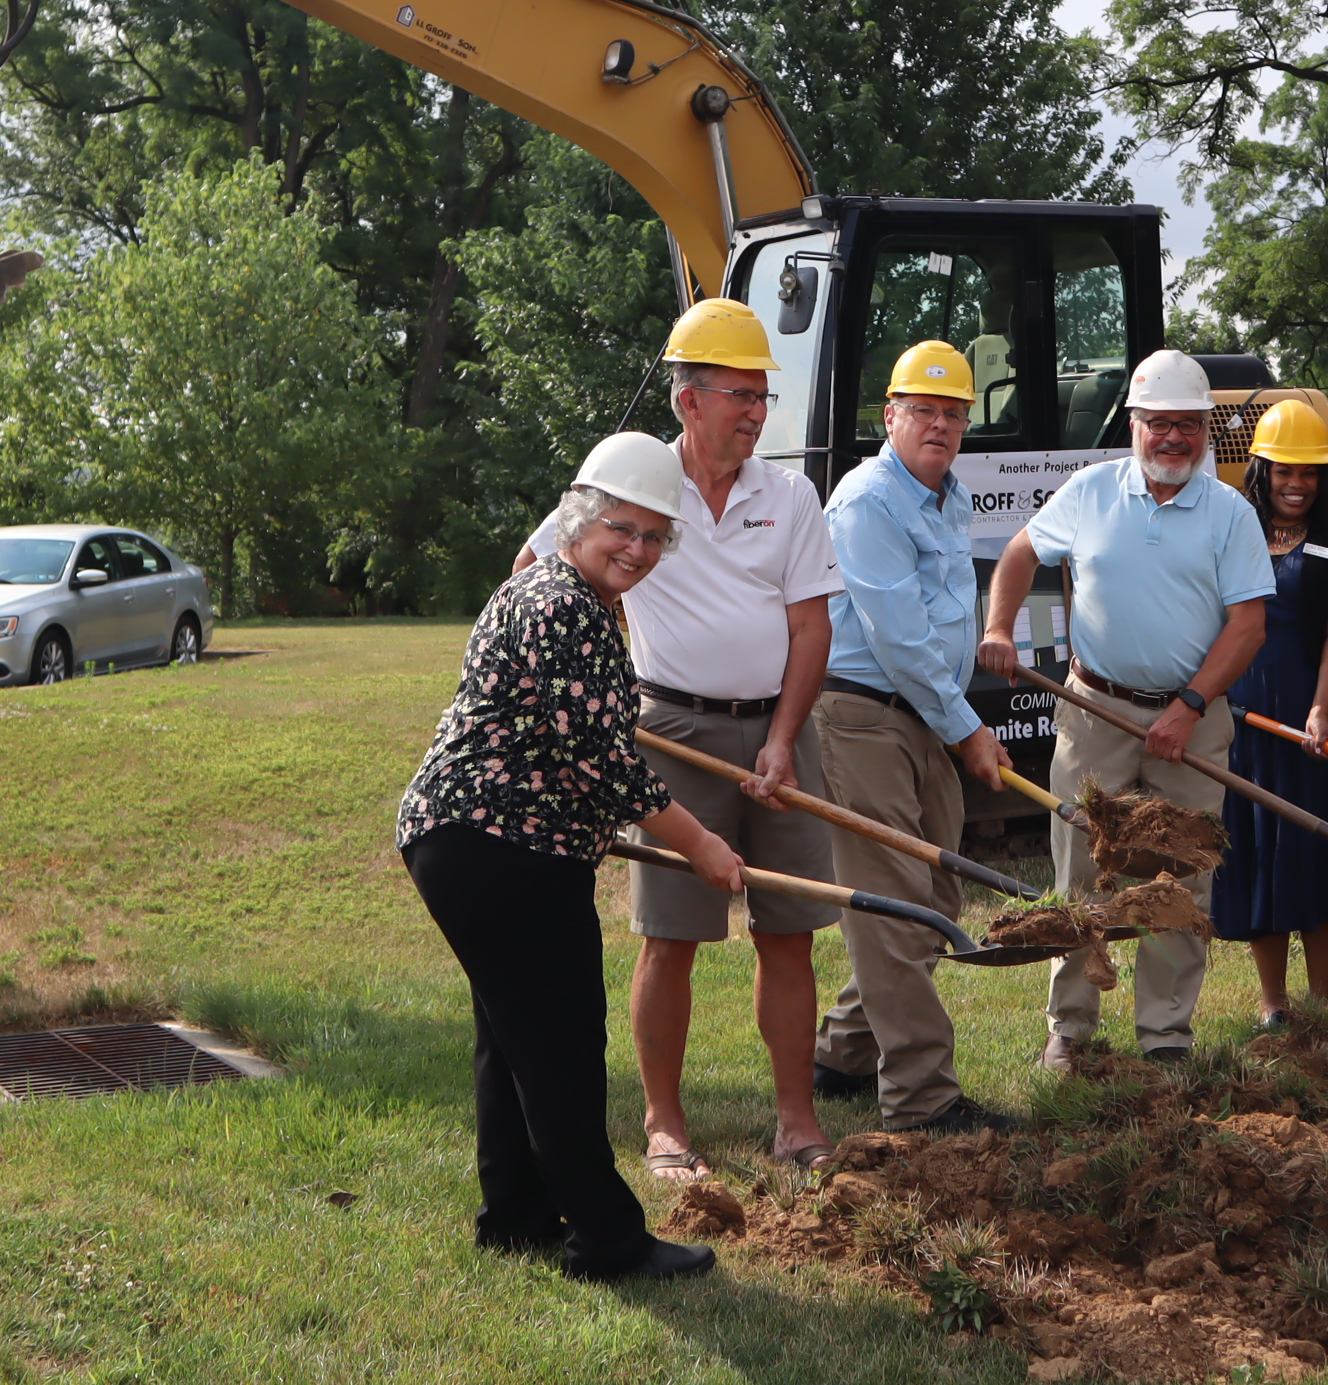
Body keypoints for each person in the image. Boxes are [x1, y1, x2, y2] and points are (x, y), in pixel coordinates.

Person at [399, 432, 740, 1282]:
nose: (638, 549)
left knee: (511, 1038)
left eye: (654, 537)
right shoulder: (562, 604)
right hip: (499, 850)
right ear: (579, 521)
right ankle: (608, 1241)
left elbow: (570, 748)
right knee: (560, 1047)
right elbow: (603, 754)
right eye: (622, 530)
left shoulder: (559, 593)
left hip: (479, 845)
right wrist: (698, 842)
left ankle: (516, 1217)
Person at [512, 299, 842, 1178]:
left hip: (778, 732)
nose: (758, 412)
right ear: (688, 399)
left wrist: (782, 738)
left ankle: (798, 1122)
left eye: (763, 395)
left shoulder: (791, 494)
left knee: (792, 929)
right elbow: (536, 568)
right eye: (740, 394)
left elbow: (811, 630)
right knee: (673, 934)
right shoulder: (633, 484)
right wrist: (590, 664)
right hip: (671, 732)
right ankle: (665, 1124)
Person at [978, 349, 1273, 1069]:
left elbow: (1248, 624)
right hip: (1093, 712)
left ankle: (1166, 1037)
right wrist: (996, 628)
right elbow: (1020, 552)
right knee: (1079, 868)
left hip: (1194, 725)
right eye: (1158, 424)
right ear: (1134, 425)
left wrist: (1188, 706)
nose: (1173, 439)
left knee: (1180, 876)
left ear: (1205, 430)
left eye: (1187, 426)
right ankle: (1070, 1030)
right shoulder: (1090, 492)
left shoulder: (1230, 513)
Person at [807, 340, 1019, 1135]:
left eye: (954, 413)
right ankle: (922, 1100)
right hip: (863, 717)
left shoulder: (949, 496)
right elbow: (895, 636)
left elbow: (938, 620)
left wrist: (959, 703)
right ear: (888, 416)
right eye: (923, 411)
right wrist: (969, 728)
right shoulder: (867, 502)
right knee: (897, 906)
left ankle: (844, 1053)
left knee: (934, 896)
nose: (939, 425)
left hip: (923, 714)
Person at [1208, 400, 1328, 1022]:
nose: (1297, 484)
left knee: (1323, 847)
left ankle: (1322, 1000)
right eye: (1285, 471)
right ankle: (1272, 1004)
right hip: (1248, 712)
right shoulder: (1232, 531)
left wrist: (1319, 712)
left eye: (1310, 473)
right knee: (1261, 845)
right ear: (1260, 471)